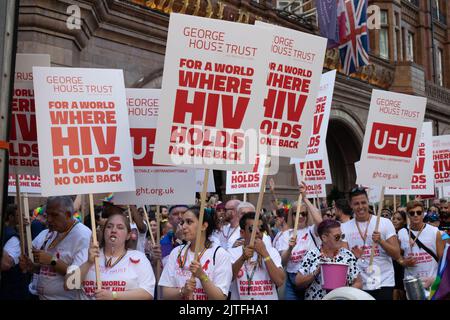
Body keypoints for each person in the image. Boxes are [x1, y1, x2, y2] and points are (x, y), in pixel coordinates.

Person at [19, 196, 91, 300]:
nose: (49, 219)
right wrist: (32, 267)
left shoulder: (83, 235)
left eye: (54, 215)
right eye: (47, 215)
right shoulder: (53, 231)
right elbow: (47, 270)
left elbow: (77, 277)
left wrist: (51, 260)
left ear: (68, 214)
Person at [76, 212, 155, 300]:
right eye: (109, 226)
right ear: (104, 231)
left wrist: (113, 295)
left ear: (128, 235)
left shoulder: (139, 258)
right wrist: (88, 262)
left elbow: (148, 293)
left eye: (120, 227)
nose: (113, 230)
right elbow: (69, 285)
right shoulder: (85, 254)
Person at [159, 206, 232, 300]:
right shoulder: (176, 252)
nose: (183, 226)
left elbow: (220, 298)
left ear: (203, 226)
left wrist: (202, 276)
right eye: (182, 222)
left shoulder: (220, 255)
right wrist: (183, 291)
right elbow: (165, 293)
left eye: (189, 222)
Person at [341, 187, 400, 300]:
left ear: (368, 202)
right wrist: (354, 256)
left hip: (384, 281)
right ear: (351, 205)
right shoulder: (345, 227)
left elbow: (396, 254)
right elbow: (344, 258)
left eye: (363, 202)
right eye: (356, 203)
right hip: (360, 284)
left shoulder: (384, 223)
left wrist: (381, 241)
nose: (361, 207)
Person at [295, 220, 362, 300]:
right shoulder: (311, 255)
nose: (341, 239)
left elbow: (358, 282)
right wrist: (316, 272)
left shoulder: (347, 255)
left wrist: (344, 293)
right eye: (337, 237)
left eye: (342, 236)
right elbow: (298, 283)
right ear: (324, 238)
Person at [278, 183, 323, 300]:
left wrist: (305, 198)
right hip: (291, 279)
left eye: (304, 213)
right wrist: (290, 248)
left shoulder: (312, 231)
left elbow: (320, 222)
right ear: (292, 216)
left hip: (311, 277)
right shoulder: (285, 235)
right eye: (297, 213)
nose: (301, 216)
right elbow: (283, 261)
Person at [229, 212, 285, 300]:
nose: (258, 232)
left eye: (261, 228)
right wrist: (242, 258)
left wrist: (265, 254)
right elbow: (228, 278)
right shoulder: (233, 253)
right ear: (242, 233)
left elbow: (280, 281)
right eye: (252, 229)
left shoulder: (272, 251)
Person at [397, 201, 445, 293]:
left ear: (423, 214)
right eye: (412, 213)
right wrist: (404, 262)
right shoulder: (401, 233)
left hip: (432, 281)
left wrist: (438, 279)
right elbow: (398, 256)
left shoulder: (435, 232)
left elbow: (442, 259)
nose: (415, 215)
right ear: (408, 215)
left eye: (418, 212)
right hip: (412, 283)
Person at [1, 204, 32, 300]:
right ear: (11, 217)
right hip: (11, 287)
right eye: (19, 215)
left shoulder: (12, 232)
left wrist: (23, 230)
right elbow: (6, 264)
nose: (23, 217)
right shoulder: (12, 236)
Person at [391, 209, 407, 300]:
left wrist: (398, 246)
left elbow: (404, 251)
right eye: (393, 218)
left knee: (398, 290)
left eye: (398, 219)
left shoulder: (404, 232)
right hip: (391, 265)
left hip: (400, 265)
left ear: (404, 221)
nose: (395, 221)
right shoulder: (390, 232)